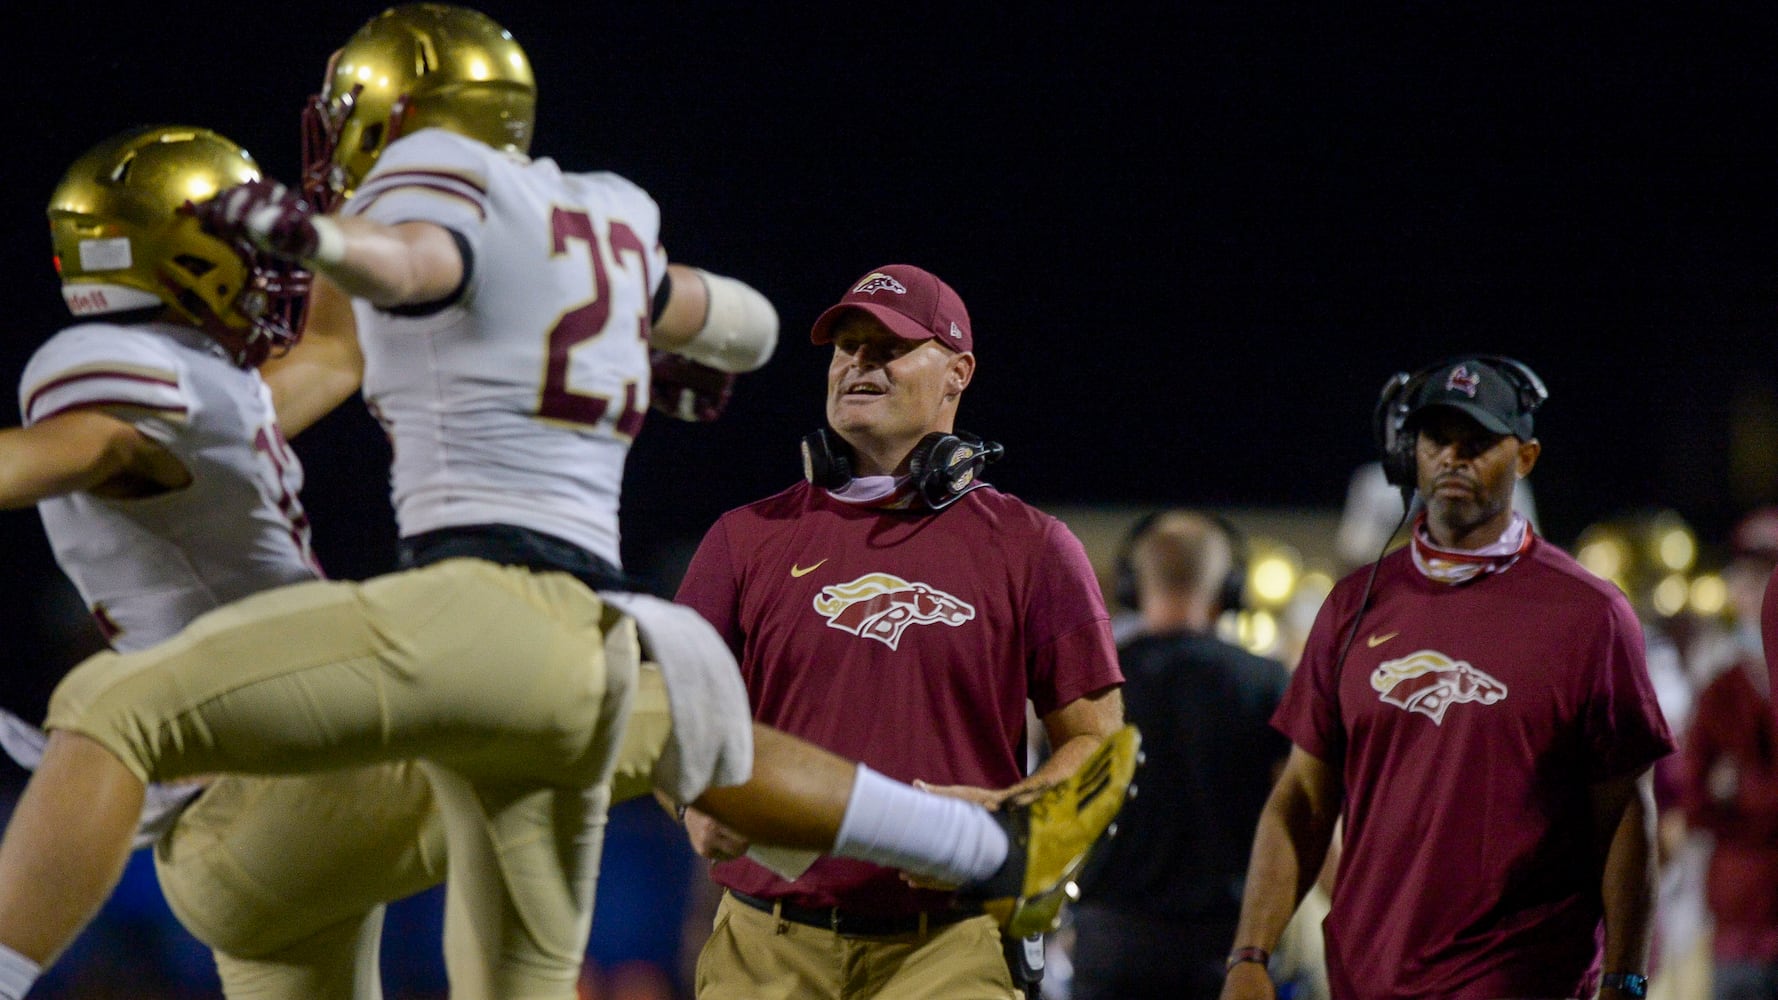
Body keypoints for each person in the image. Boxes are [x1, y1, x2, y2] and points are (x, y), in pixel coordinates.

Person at [0, 8, 1137, 1000]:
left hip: (403, 674)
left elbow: (402, 272)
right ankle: (980, 838)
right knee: (593, 796)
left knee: (116, 704)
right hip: (475, 702)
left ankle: (976, 842)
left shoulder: (393, 242)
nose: (271, 276)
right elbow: (732, 321)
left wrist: (320, 228)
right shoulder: (598, 227)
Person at [674, 263, 1128, 1000]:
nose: (859, 362)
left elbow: (1099, 742)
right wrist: (690, 800)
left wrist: (1010, 816)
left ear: (957, 372)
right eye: (847, 345)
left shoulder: (1034, 546)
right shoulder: (743, 539)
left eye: (889, 347)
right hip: (767, 947)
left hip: (950, 946)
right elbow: (669, 713)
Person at [1221, 356, 1674, 1000]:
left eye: (1479, 442)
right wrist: (1250, 954)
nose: (1453, 458)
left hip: (1523, 979)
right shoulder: (1354, 605)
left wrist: (1625, 978)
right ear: (1410, 452)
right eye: (1437, 439)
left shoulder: (1590, 614)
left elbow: (1626, 810)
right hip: (1366, 977)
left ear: (1526, 457)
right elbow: (1302, 795)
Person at [1067, 510, 1289, 1000]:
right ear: (1230, 588)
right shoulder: (1268, 683)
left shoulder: (1094, 683)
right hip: (1225, 948)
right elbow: (1295, 814)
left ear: (1130, 582)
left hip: (1110, 942)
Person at [1682, 508, 1778, 1000]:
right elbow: (1695, 801)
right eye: (1753, 578)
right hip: (1740, 929)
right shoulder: (1721, 691)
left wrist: (1743, 791)